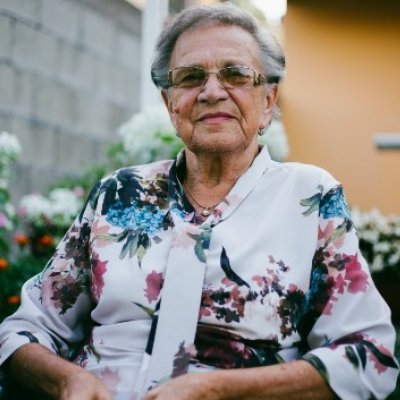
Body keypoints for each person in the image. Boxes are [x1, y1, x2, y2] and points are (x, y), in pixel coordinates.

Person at [0, 4, 398, 400]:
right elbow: (24, 331)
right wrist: (67, 381)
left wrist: (220, 390)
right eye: (190, 77)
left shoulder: (309, 198)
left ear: (268, 101)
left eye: (235, 74)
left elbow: (368, 355)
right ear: (170, 103)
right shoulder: (119, 192)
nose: (211, 91)